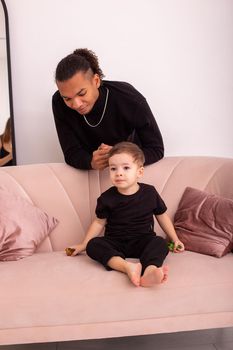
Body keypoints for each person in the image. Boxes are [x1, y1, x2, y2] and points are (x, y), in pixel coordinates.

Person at [66, 142, 184, 287]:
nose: (119, 173)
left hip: (143, 241)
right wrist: (84, 244)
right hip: (115, 243)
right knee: (93, 245)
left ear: (139, 172)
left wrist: (175, 239)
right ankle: (128, 267)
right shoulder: (106, 198)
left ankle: (150, 270)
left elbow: (162, 216)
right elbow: (98, 222)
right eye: (113, 168)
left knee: (160, 243)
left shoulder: (149, 193)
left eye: (126, 168)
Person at [52, 48, 164, 170]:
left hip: (131, 172)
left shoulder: (129, 99)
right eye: (67, 99)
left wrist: (122, 155)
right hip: (91, 175)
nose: (76, 104)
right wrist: (90, 162)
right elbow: (71, 153)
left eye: (82, 93)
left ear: (96, 81)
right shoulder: (58, 102)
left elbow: (156, 149)